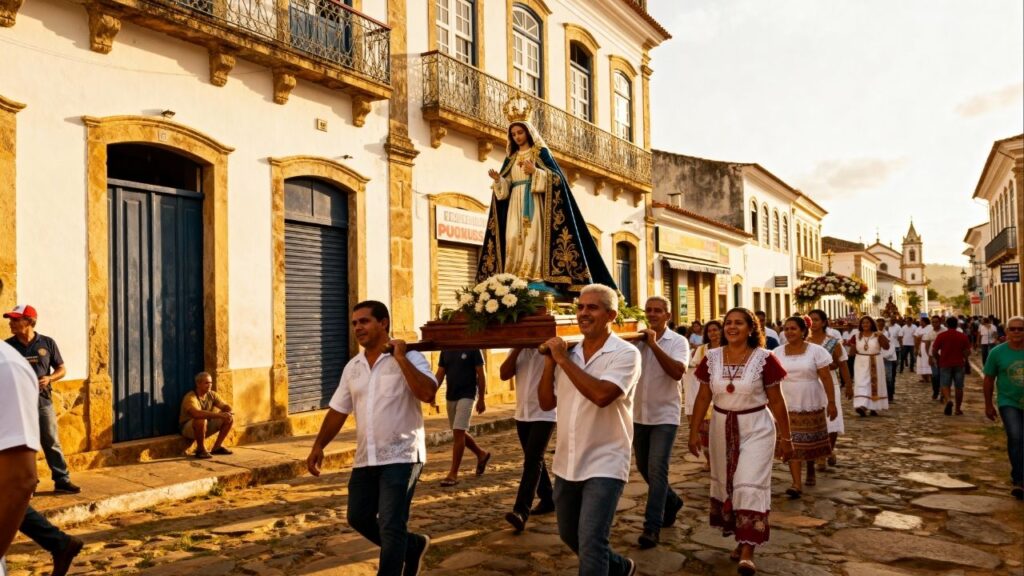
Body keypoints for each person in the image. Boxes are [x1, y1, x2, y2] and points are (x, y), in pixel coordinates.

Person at [305, 301, 438, 576]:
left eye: (364, 321)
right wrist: (319, 445)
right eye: (354, 323)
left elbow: (427, 394)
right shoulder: (353, 367)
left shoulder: (411, 356)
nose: (357, 328)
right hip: (367, 456)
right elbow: (338, 410)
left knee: (391, 524)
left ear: (383, 323)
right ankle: (412, 547)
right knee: (358, 517)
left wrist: (400, 358)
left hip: (403, 455)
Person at [538, 284, 641, 576]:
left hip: (606, 460)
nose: (583, 314)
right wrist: (550, 364)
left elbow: (601, 395)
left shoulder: (626, 354)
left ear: (611, 314)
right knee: (570, 535)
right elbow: (546, 403)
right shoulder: (568, 352)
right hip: (568, 460)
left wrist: (561, 360)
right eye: (580, 307)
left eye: (592, 308)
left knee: (592, 542)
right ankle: (620, 567)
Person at [689, 308, 792, 576]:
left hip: (756, 427)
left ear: (751, 328)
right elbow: (703, 397)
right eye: (728, 323)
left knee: (749, 484)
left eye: (738, 323)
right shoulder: (711, 358)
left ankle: (748, 552)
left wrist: (786, 436)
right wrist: (693, 431)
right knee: (730, 486)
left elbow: (777, 400)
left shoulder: (765, 359)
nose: (731, 327)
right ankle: (741, 538)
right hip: (722, 427)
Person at [477, 120, 615, 291]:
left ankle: (534, 276)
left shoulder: (540, 153)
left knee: (533, 237)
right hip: (515, 204)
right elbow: (506, 188)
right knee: (512, 237)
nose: (517, 137)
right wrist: (499, 180)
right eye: (513, 134)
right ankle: (512, 276)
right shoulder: (511, 158)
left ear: (528, 133)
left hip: (534, 201)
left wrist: (535, 172)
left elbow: (557, 179)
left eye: (520, 132)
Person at [4, 305, 79, 494]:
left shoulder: (47, 343)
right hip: (18, 404)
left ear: (29, 322)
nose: (10, 323)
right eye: (10, 320)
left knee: (51, 440)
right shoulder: (7, 346)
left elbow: (62, 369)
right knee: (23, 445)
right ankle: (29, 483)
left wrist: (50, 378)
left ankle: (62, 480)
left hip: (43, 401)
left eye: (15, 319)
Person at [632, 296, 688, 548]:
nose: (652, 314)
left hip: (665, 415)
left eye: (657, 311)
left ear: (668, 315)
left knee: (657, 469)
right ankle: (672, 500)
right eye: (649, 310)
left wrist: (653, 345)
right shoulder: (634, 340)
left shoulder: (678, 342)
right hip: (638, 416)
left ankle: (651, 527)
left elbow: (677, 372)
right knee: (644, 468)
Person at [772, 316, 836, 498]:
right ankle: (796, 484)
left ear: (802, 331)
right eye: (786, 329)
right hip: (786, 400)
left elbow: (825, 378)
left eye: (793, 329)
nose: (789, 332)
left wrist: (831, 402)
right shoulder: (777, 352)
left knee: (809, 441)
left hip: (809, 399)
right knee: (792, 441)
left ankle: (810, 468)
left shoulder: (816, 351)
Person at [499, 347, 556, 532]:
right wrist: (517, 348)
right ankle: (548, 497)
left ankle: (521, 511)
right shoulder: (517, 350)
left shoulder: (550, 349)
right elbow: (504, 374)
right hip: (522, 412)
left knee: (532, 460)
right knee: (534, 457)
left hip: (545, 413)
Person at [983, 316, 1024, 500]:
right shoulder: (997, 353)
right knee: (1015, 436)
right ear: (1006, 332)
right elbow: (989, 379)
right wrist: (988, 404)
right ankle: (1019, 480)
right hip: (1009, 402)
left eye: (1020, 329)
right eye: (1013, 329)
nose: (1016, 332)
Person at [435, 349, 490, 486]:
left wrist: (482, 398)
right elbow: (440, 374)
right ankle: (481, 454)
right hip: (451, 395)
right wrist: (431, 392)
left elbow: (481, 374)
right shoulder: (445, 350)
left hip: (468, 395)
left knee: (458, 432)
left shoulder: (473, 349)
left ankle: (453, 473)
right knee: (458, 431)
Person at [807, 309, 851, 470]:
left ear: (824, 322)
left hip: (830, 382)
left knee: (832, 419)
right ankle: (819, 452)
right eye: (810, 320)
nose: (813, 323)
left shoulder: (833, 342)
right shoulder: (804, 341)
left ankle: (827, 451)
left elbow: (843, 363)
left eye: (817, 319)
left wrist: (849, 385)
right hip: (810, 383)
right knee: (813, 420)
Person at [685, 320, 723, 468]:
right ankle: (710, 461)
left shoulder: (728, 349)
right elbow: (695, 369)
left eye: (716, 330)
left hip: (723, 392)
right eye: (710, 331)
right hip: (706, 393)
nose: (713, 333)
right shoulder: (701, 350)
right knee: (705, 431)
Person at [179, 372, 234, 459]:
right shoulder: (190, 397)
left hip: (205, 425)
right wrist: (220, 415)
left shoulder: (212, 394)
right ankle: (200, 449)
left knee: (229, 418)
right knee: (201, 420)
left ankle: (217, 447)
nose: (210, 385)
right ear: (198, 384)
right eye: (206, 383)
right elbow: (196, 414)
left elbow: (224, 406)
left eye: (211, 382)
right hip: (188, 428)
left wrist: (228, 410)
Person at [932, 317, 972, 416]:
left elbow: (934, 351)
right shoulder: (962, 336)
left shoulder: (941, 336)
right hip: (959, 364)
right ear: (957, 324)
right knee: (959, 387)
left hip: (945, 363)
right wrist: (964, 357)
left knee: (945, 385)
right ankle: (958, 409)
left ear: (946, 324)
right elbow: (968, 351)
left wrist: (938, 358)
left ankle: (949, 400)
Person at [852, 316, 890, 417]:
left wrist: (881, 336)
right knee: (861, 383)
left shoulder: (877, 335)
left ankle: (873, 406)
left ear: (871, 324)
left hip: (875, 361)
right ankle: (861, 405)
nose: (865, 325)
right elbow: (852, 351)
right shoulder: (856, 335)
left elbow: (886, 347)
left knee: (873, 384)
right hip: (860, 362)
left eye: (867, 323)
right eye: (863, 323)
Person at [877, 318, 899, 402]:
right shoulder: (874, 333)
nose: (880, 325)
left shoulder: (887, 333)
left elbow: (891, 346)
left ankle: (890, 396)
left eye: (882, 323)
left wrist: (885, 356)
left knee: (889, 378)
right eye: (878, 323)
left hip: (888, 358)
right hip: (878, 358)